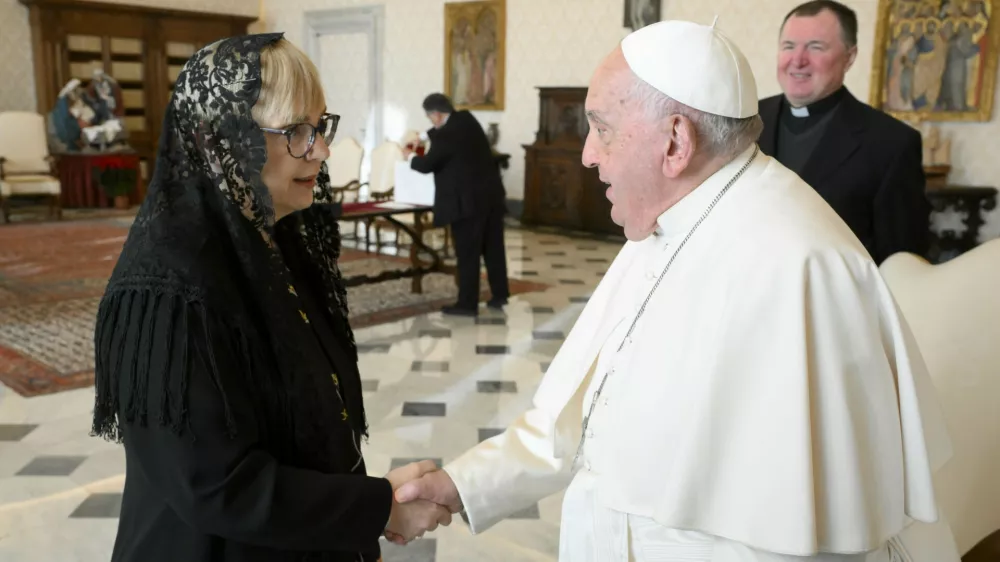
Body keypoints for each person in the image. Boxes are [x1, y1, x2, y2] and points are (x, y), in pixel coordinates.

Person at [388, 19, 959, 561]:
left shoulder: (797, 266)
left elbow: (793, 527)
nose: (588, 153)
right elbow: (586, 417)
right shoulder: (674, 218)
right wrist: (462, 484)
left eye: (602, 129)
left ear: (675, 142)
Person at [90, 33, 450, 562]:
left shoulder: (274, 244)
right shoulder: (168, 288)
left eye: (322, 126)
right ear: (225, 139)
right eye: (298, 132)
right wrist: (378, 508)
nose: (322, 151)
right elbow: (216, 483)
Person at [759, 0, 930, 265]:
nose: (798, 60)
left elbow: (901, 264)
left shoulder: (891, 143)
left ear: (849, 58)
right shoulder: (744, 121)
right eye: (789, 46)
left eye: (815, 47)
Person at [404, 93, 509, 316]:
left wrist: (409, 157)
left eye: (430, 117)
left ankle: (467, 304)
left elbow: (427, 165)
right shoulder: (466, 120)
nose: (430, 122)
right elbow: (440, 132)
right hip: (491, 198)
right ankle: (500, 295)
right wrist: (423, 135)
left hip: (467, 204)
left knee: (468, 253)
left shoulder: (446, 136)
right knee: (493, 248)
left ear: (437, 114)